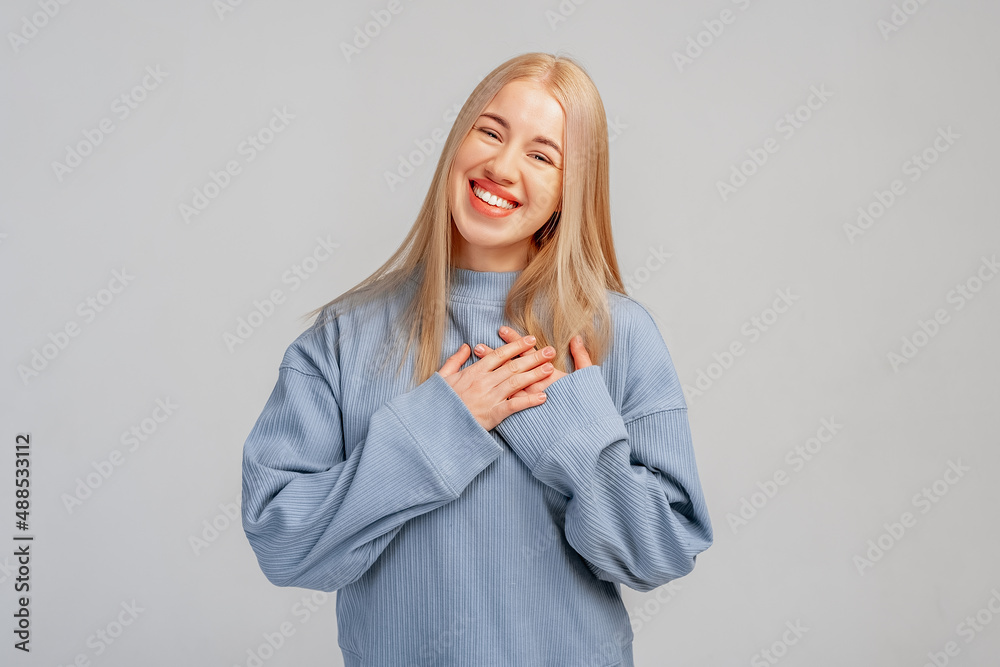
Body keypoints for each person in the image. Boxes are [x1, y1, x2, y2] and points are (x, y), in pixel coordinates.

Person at [241, 51, 713, 666]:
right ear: (456, 142)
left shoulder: (618, 334)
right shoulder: (342, 337)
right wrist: (439, 429)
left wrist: (574, 439)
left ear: (570, 190)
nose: (502, 166)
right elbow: (283, 545)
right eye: (490, 132)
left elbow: (661, 555)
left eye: (542, 156)